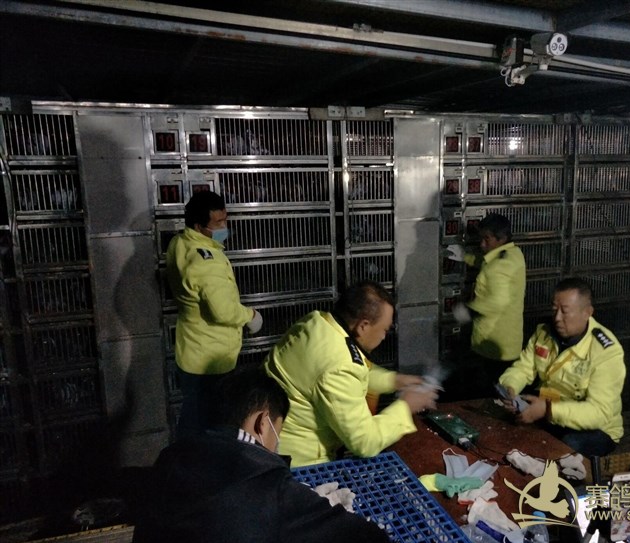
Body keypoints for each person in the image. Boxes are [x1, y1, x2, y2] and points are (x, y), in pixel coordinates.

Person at [132, 366, 390, 543]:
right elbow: (367, 537)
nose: (276, 444)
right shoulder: (269, 487)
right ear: (263, 423)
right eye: (279, 431)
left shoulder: (170, 458)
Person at [265, 281, 438, 467]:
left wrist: (394, 380)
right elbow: (365, 442)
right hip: (300, 464)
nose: (383, 336)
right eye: (384, 329)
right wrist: (406, 406)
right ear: (363, 326)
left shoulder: (318, 323)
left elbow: (350, 370)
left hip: (271, 440)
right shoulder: (339, 367)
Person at [166, 190, 263, 438]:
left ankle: (188, 456)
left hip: (191, 350)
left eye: (225, 220)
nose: (224, 227)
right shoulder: (207, 262)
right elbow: (223, 310)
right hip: (212, 359)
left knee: (194, 418)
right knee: (210, 427)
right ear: (199, 226)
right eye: (218, 223)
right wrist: (251, 316)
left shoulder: (180, 243)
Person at [498, 277, 625, 457]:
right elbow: (523, 368)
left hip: (595, 428)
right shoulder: (544, 333)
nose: (557, 318)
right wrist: (510, 387)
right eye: (554, 310)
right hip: (550, 411)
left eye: (565, 311)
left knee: (562, 448)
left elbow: (599, 413)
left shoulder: (606, 351)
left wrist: (548, 409)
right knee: (508, 431)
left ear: (587, 313)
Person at [445, 214, 525, 398]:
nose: (482, 244)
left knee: (493, 391)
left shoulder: (498, 267)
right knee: (502, 387)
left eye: (486, 239)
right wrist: (466, 257)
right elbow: (488, 263)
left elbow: (497, 301)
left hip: (493, 341)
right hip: (510, 340)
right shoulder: (514, 255)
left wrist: (468, 311)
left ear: (501, 238)